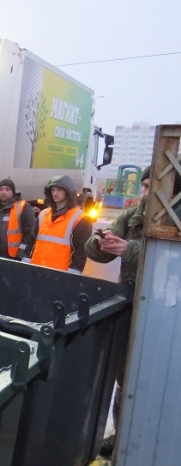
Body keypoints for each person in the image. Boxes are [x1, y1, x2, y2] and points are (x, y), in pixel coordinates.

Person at [84, 165, 150, 457]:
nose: (146, 192)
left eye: (152, 186)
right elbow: (94, 251)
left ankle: (148, 436)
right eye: (144, 186)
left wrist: (131, 249)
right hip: (132, 303)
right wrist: (101, 242)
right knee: (124, 372)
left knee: (152, 374)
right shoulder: (133, 215)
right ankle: (121, 435)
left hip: (165, 309)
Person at [28, 175, 92, 273]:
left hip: (60, 276)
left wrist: (71, 276)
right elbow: (31, 243)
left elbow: (80, 253)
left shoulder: (81, 219)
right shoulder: (44, 214)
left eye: (59, 190)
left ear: (68, 192)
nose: (55, 193)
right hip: (36, 272)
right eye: (53, 190)